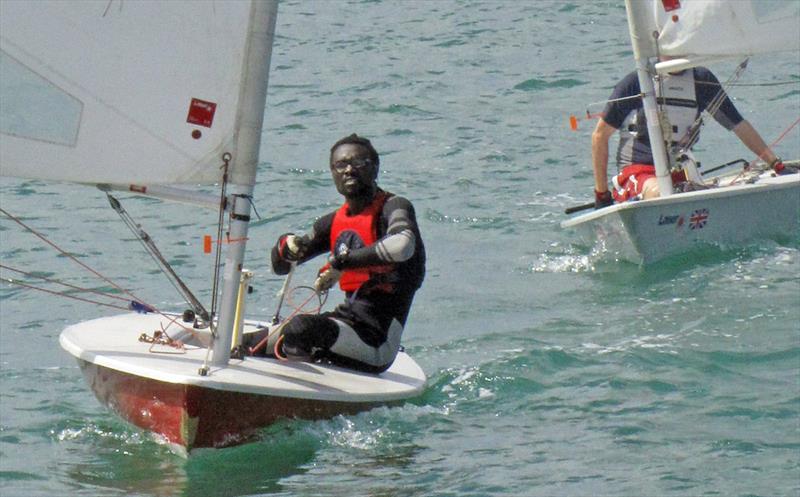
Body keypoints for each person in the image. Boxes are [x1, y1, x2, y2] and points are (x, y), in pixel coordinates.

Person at [250, 133, 425, 373]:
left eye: (359, 163)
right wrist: (286, 244)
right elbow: (280, 266)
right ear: (332, 173)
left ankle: (303, 394)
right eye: (340, 165)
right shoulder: (335, 222)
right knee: (246, 342)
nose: (349, 170)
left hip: (375, 343)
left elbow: (403, 244)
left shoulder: (394, 207)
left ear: (375, 168)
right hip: (343, 324)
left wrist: (342, 263)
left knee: (300, 329)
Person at [591, 66, 783, 208]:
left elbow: (739, 125)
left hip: (680, 174)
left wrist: (775, 163)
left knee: (684, 192)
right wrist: (602, 195)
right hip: (637, 173)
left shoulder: (702, 80)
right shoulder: (636, 81)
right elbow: (599, 136)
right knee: (661, 192)